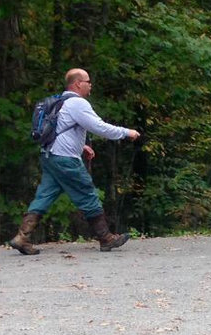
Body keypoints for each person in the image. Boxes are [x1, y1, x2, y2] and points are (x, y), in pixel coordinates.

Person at [9, 68, 141, 255]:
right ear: (78, 83)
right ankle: (106, 238)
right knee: (87, 193)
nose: (90, 85)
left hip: (49, 156)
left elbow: (63, 130)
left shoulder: (61, 102)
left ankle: (22, 237)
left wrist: (82, 147)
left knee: (44, 196)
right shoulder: (77, 103)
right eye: (88, 81)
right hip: (65, 160)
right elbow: (99, 127)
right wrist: (126, 132)